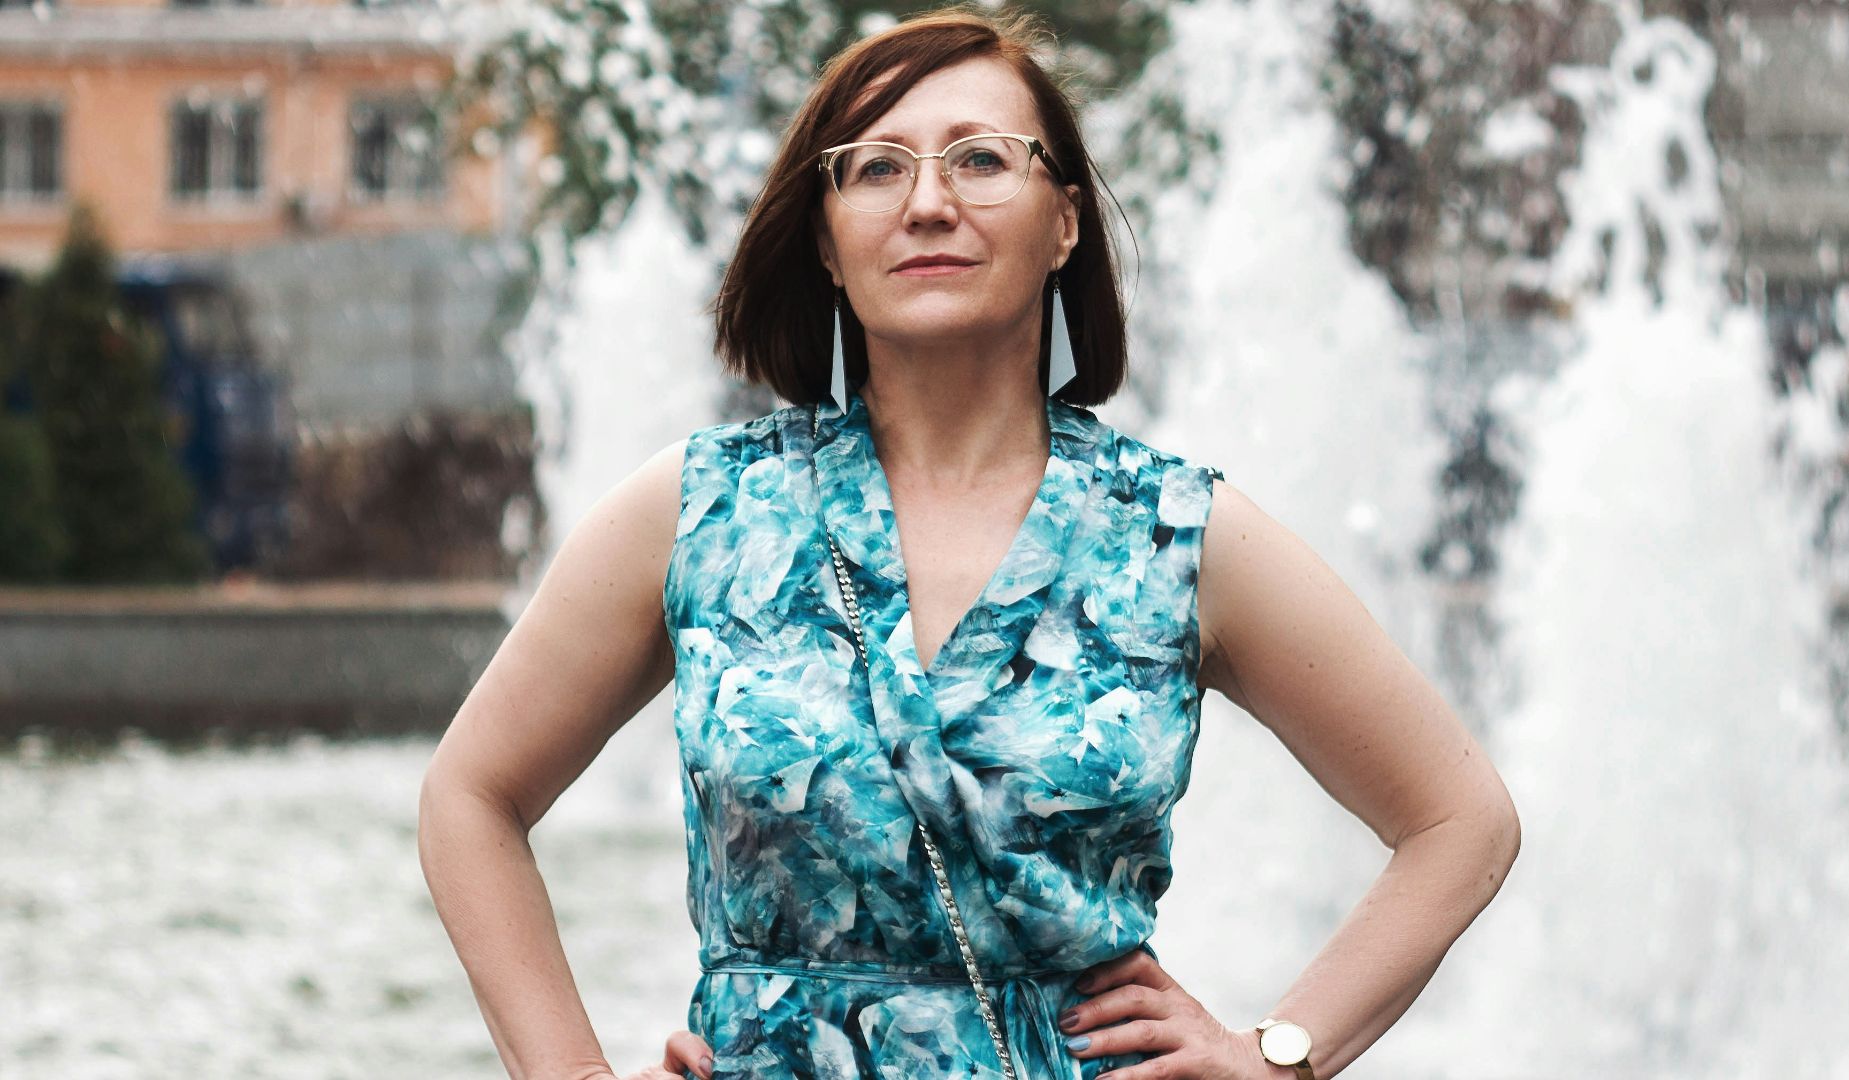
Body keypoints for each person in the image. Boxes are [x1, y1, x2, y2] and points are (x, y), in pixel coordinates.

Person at [416, 6, 1522, 1079]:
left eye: (982, 160)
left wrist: (1280, 1053)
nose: (929, 203)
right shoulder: (702, 510)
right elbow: (471, 796)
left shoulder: (1178, 536)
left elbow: (1458, 820)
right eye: (876, 167)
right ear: (828, 244)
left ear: (1065, 222)